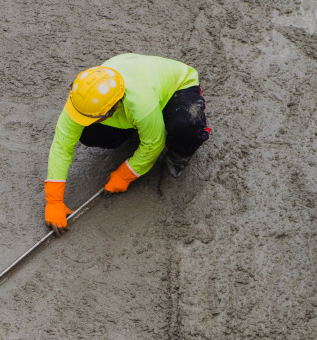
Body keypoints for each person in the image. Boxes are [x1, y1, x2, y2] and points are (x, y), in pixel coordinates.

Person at [44, 53, 210, 236]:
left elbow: (154, 143)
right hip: (135, 98)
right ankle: (141, 127)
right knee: (88, 132)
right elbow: (61, 145)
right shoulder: (82, 98)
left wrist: (125, 174)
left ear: (113, 107)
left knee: (186, 127)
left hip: (176, 88)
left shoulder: (140, 101)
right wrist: (54, 200)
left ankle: (180, 154)